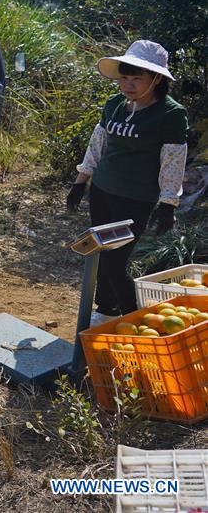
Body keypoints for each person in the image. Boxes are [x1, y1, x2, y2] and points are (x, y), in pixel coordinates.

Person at [67, 40, 189, 324]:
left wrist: (168, 202)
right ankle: (106, 309)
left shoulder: (170, 114)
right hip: (102, 190)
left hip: (136, 198)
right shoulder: (114, 105)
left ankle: (135, 319)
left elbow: (173, 160)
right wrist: (80, 181)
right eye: (124, 77)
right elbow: (98, 144)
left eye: (137, 78)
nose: (128, 85)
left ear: (156, 79)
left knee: (114, 262)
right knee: (101, 253)